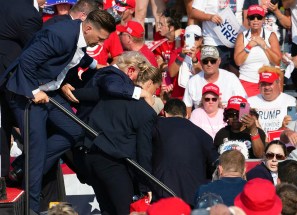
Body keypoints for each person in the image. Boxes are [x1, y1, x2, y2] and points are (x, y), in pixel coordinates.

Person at [0, 10, 116, 213]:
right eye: (99, 38)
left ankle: (22, 165)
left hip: (49, 92)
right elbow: (26, 61)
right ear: (88, 28)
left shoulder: (80, 36)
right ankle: (32, 210)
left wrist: (102, 66)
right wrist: (34, 92)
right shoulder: (60, 35)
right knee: (37, 153)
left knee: (75, 130)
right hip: (26, 94)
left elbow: (78, 56)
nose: (99, 44)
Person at [73, 52, 159, 215]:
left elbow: (78, 95)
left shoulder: (105, 96)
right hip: (112, 163)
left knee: (107, 210)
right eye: (153, 91)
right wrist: (145, 186)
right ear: (146, 84)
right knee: (125, 211)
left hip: (89, 158)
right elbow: (144, 152)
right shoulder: (144, 111)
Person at [0, 0, 43, 178]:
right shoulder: (27, 13)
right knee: (34, 134)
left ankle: (3, 175)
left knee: (3, 128)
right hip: (15, 82)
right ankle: (18, 172)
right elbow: (39, 52)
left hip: (8, 79)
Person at [152, 98, 216, 206]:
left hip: (162, 192)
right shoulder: (204, 135)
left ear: (165, 114)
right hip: (193, 196)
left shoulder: (156, 125)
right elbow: (214, 163)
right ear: (186, 114)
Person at [183, 45, 247, 117]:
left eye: (212, 61)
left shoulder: (231, 78)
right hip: (200, 124)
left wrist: (243, 124)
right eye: (205, 61)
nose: (209, 64)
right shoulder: (193, 82)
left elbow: (244, 103)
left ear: (219, 61)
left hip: (226, 124)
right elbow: (187, 108)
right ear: (201, 62)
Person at [234, 5, 281, 97]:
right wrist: (249, 46)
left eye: (259, 17)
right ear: (248, 20)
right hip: (246, 81)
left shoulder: (271, 35)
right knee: (246, 111)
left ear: (263, 20)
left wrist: (264, 45)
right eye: (252, 17)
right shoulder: (242, 36)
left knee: (267, 109)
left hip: (267, 82)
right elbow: (238, 61)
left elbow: (277, 61)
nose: (255, 20)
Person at [190, 0, 244, 73]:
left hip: (236, 43)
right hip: (213, 42)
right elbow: (193, 13)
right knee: (212, 77)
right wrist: (210, 17)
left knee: (235, 78)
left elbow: (247, 15)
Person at [248, 66, 296, 133]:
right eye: (263, 84)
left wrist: (283, 127)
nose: (267, 87)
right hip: (257, 140)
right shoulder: (249, 102)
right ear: (259, 85)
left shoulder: (291, 101)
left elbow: (293, 128)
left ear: (278, 83)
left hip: (281, 141)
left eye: (270, 84)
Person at [168, 25, 203, 99]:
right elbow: (171, 73)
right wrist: (182, 55)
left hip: (198, 96)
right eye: (189, 37)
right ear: (184, 39)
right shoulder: (176, 52)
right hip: (179, 96)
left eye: (196, 38)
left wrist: (194, 58)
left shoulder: (205, 54)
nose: (193, 41)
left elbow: (202, 77)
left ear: (201, 40)